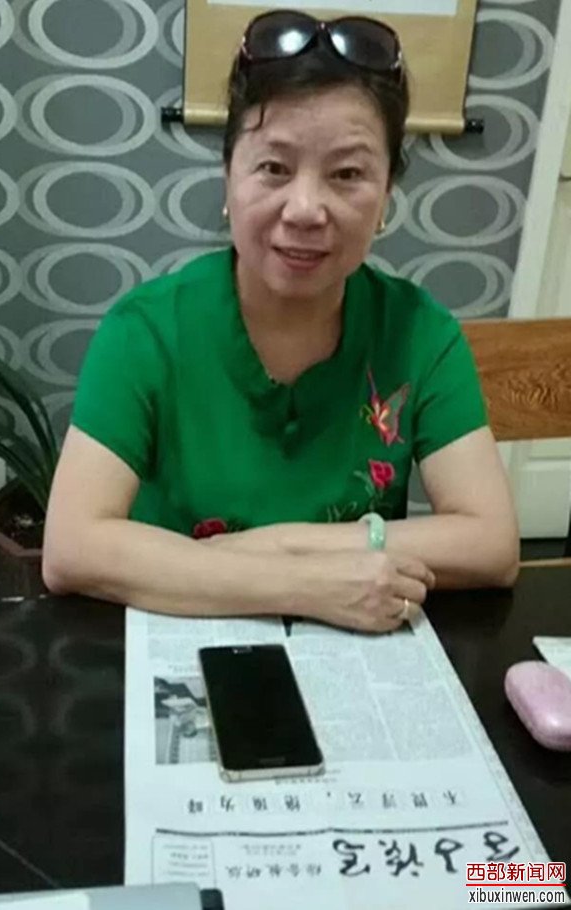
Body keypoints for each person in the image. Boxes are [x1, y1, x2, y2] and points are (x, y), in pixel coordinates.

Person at [42, 10, 519, 632]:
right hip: (185, 643)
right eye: (273, 168)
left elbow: (490, 544)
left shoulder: (419, 332)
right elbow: (72, 548)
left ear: (386, 197)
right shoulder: (146, 330)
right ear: (228, 178)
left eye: (347, 174)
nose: (305, 209)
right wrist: (307, 584)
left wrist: (271, 545)